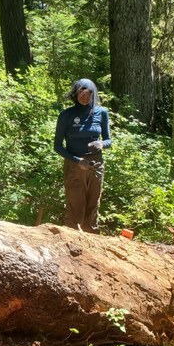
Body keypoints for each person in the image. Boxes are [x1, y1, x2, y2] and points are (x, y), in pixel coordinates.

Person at [53, 78, 112, 233]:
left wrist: (102, 144)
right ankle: (72, 242)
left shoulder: (102, 113)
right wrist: (77, 160)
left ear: (93, 94)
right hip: (74, 165)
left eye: (88, 93)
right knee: (75, 205)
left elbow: (108, 140)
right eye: (81, 92)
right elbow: (57, 146)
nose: (85, 96)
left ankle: (92, 241)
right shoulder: (66, 115)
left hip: (96, 164)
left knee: (93, 204)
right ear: (75, 94)